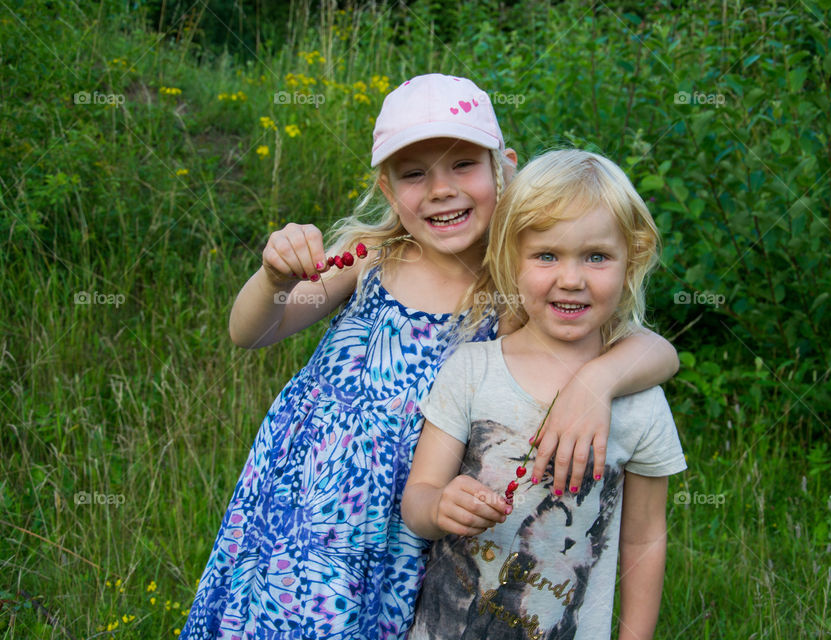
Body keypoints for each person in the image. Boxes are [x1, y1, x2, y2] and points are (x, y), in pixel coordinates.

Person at [182, 75, 679, 639]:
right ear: (390, 191)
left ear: (503, 169)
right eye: (415, 173)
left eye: (462, 165)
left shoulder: (519, 292)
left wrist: (598, 381)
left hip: (414, 519)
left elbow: (656, 350)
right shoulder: (367, 257)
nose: (441, 189)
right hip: (306, 501)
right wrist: (273, 276)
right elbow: (252, 332)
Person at [402, 149, 686, 640]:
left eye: (597, 257)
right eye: (546, 255)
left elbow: (643, 540)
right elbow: (418, 500)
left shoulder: (641, 405)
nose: (571, 279)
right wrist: (439, 507)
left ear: (630, 261)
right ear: (512, 259)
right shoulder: (472, 370)